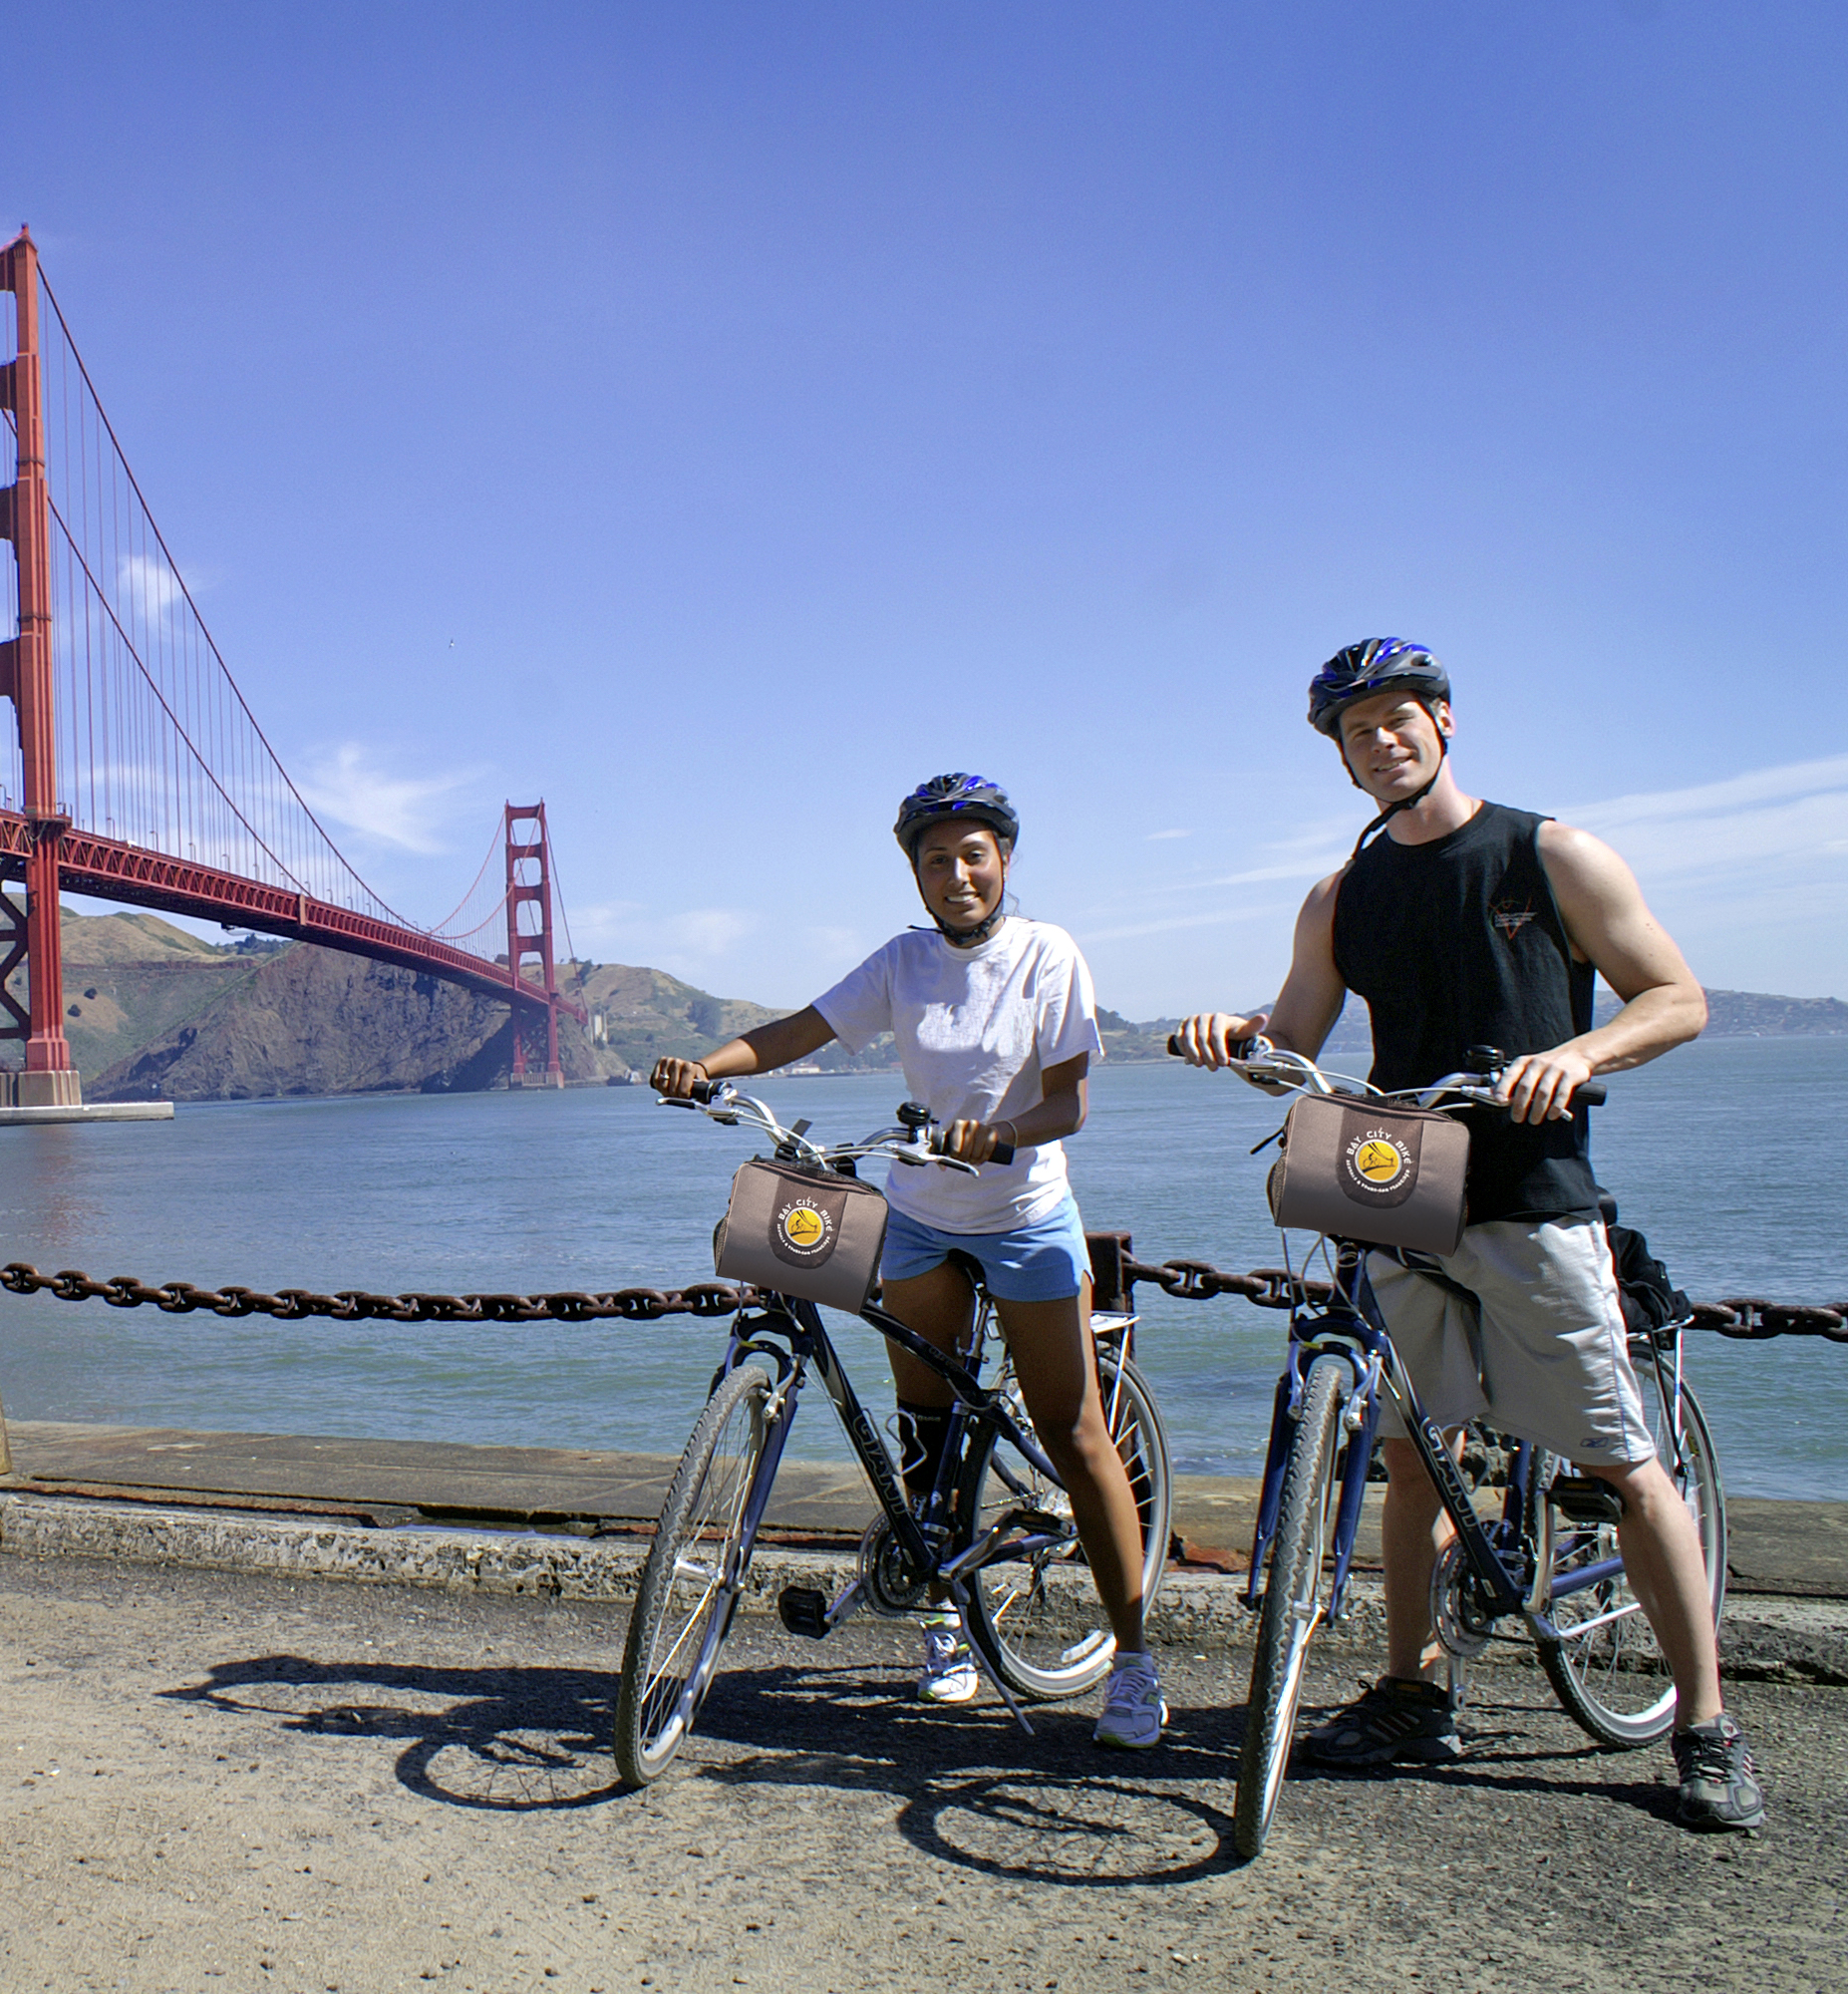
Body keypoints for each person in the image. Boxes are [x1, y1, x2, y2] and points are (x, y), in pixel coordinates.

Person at [1174, 638, 1761, 1832]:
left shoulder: (1547, 850)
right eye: (1354, 730)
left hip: (1531, 1191)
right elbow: (1293, 1035)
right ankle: (1412, 1690)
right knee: (1409, 1452)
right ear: (1337, 757)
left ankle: (1706, 1724)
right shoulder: (1340, 893)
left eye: (1397, 718)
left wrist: (1576, 1053)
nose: (1379, 740)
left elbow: (1675, 996)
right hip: (1400, 1190)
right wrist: (1234, 1037)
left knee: (1616, 1456)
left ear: (1443, 720)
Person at [653, 775, 1162, 1748]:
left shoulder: (1046, 953)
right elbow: (797, 1028)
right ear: (916, 875)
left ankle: (1133, 1660)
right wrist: (705, 1069)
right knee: (923, 1426)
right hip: (922, 1217)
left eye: (973, 854)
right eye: (936, 859)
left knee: (1071, 1427)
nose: (957, 872)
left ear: (1002, 860)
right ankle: (944, 1623)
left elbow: (1066, 1106)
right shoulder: (901, 962)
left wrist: (997, 1133)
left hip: (1022, 1212)